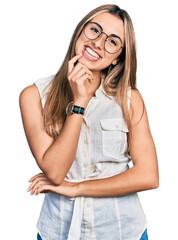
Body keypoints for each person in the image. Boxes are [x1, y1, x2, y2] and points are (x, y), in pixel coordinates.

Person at [19, 4, 159, 240]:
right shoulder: (34, 96)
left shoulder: (130, 99)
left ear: (118, 58)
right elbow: (54, 172)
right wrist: (79, 103)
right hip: (59, 231)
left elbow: (148, 175)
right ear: (79, 32)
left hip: (122, 231)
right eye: (95, 30)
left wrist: (76, 188)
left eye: (113, 41)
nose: (98, 43)